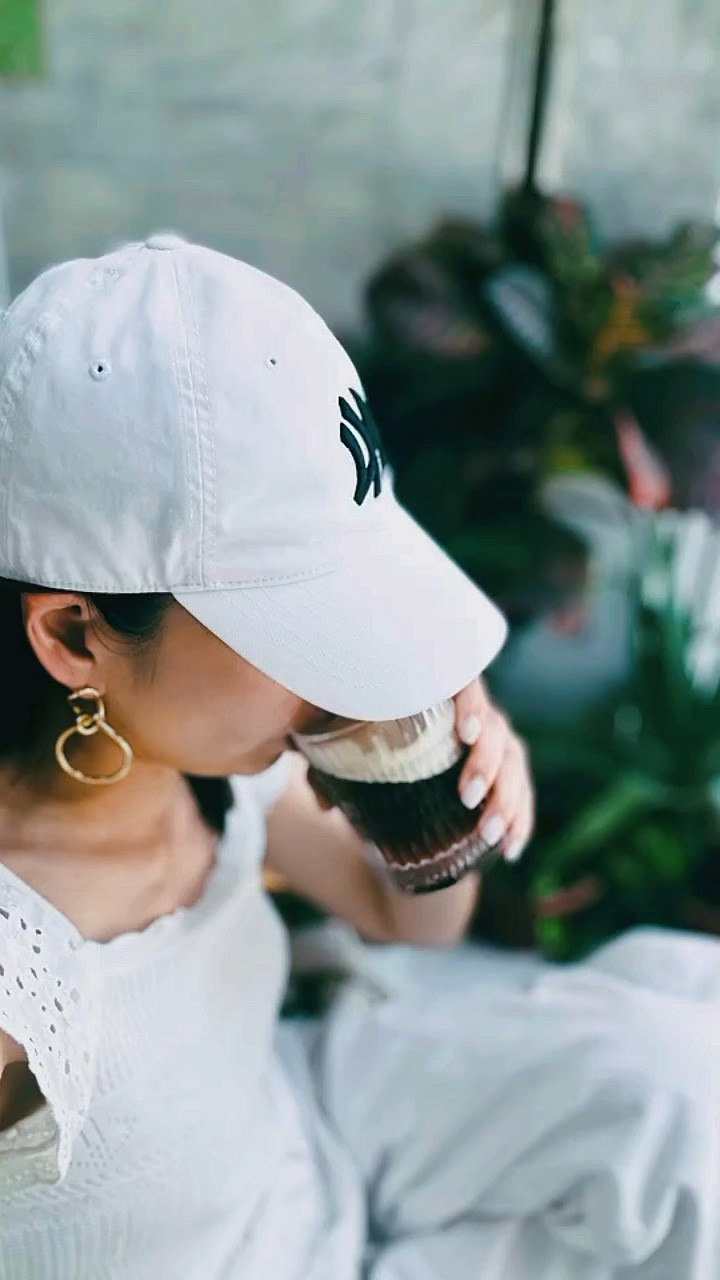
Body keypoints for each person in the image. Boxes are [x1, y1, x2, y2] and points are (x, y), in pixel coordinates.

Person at [0, 233, 716, 1280]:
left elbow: (410, 920)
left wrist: (441, 797)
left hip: (311, 1142)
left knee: (686, 1095)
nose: (347, 682)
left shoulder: (188, 756)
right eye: (300, 629)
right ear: (72, 635)